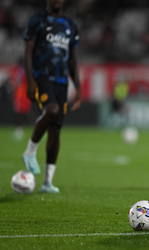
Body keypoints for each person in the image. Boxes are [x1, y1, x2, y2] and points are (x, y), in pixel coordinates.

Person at [22, 0, 81, 193]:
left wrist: (78, 88)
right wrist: (30, 81)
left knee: (56, 130)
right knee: (52, 110)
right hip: (42, 77)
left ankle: (47, 182)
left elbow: (72, 59)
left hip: (62, 83)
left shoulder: (70, 26)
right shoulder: (37, 20)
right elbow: (28, 52)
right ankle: (30, 151)